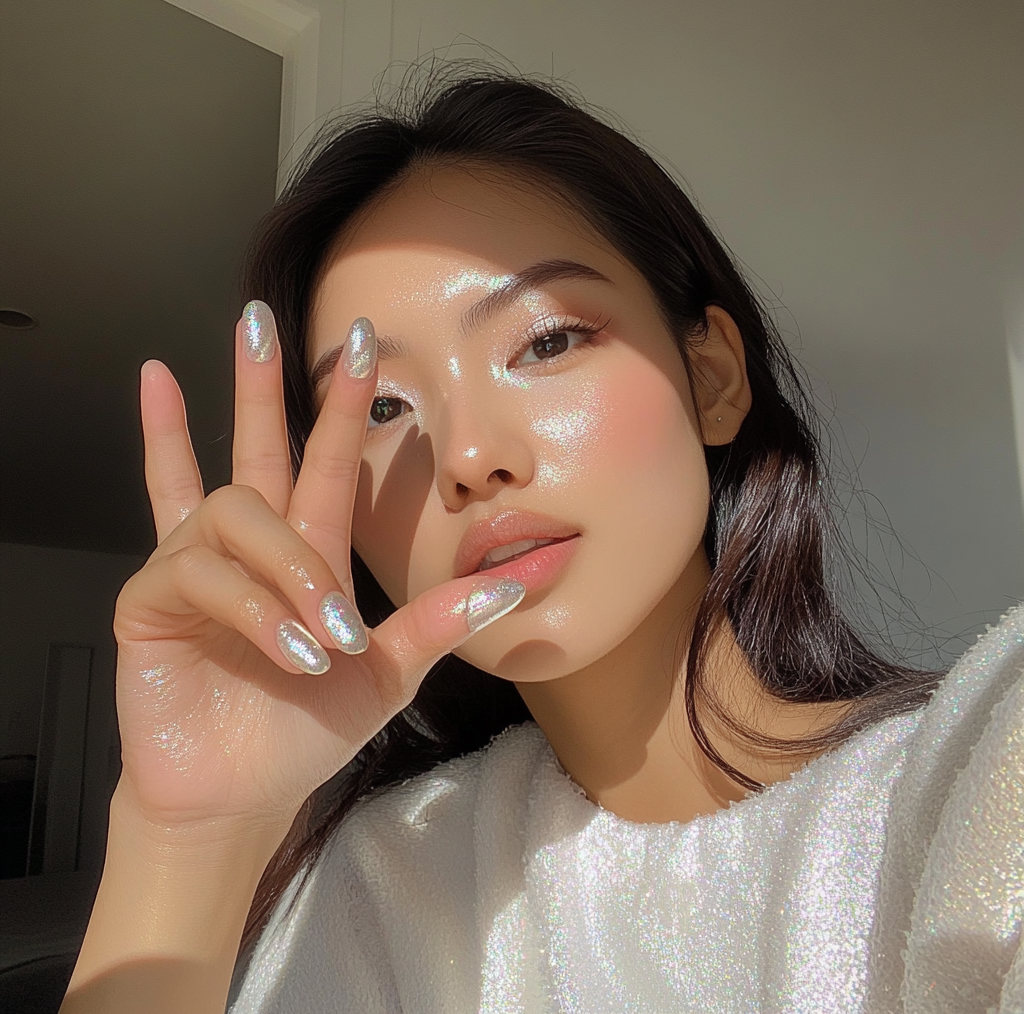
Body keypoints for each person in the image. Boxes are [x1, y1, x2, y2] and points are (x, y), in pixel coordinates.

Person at [62, 71, 1022, 1014]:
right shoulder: (391, 879)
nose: (470, 458)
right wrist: (184, 842)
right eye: (385, 406)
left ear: (716, 378)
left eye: (547, 342)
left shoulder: (977, 781)